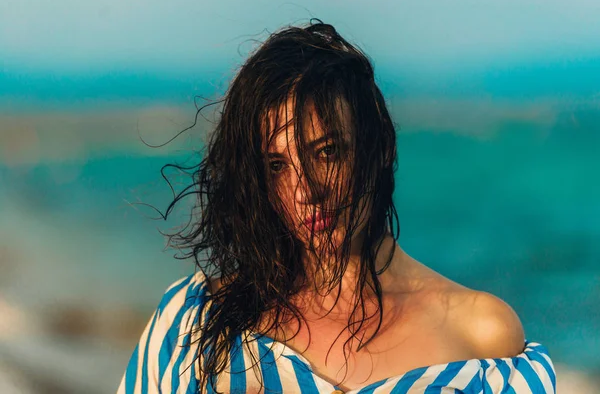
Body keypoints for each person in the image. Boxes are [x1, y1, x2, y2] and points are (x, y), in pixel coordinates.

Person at [117, 20, 556, 394]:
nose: (305, 190)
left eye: (326, 153)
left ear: (380, 144)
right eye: (276, 166)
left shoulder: (483, 338)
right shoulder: (194, 320)